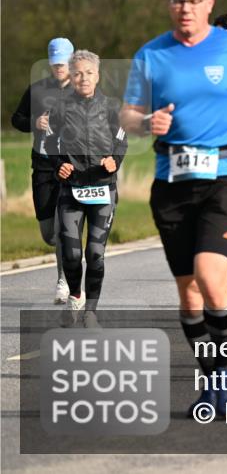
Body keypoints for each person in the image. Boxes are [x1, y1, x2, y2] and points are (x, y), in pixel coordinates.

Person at [121, 0, 227, 418]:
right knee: (190, 294)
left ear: (210, 3)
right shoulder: (152, 54)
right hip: (172, 181)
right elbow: (127, 114)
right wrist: (144, 123)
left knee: (213, 280)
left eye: (193, 1)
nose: (185, 9)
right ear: (168, 3)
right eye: (177, 1)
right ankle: (211, 379)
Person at [48, 50, 127, 327]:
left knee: (95, 253)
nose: (83, 78)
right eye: (78, 72)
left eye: (89, 72)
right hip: (71, 189)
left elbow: (121, 140)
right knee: (71, 254)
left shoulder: (111, 106)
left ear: (98, 75)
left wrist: (113, 160)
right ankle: (75, 296)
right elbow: (48, 143)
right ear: (71, 74)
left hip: (103, 188)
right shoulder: (58, 107)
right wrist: (59, 164)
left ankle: (90, 311)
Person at [11, 38, 75, 303]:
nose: (58, 68)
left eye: (62, 63)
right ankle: (68, 253)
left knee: (63, 229)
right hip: (43, 167)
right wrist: (34, 122)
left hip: (71, 168)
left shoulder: (83, 91)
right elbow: (17, 119)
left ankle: (63, 281)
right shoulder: (37, 90)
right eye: (54, 63)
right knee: (49, 233)